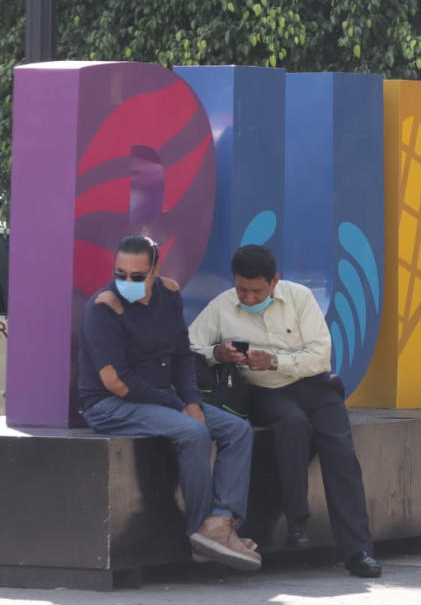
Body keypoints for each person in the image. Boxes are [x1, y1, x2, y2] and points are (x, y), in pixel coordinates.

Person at [188, 245, 382, 578]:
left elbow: (320, 355)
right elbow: (191, 346)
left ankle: (358, 551)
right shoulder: (221, 306)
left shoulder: (300, 297)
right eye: (242, 290)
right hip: (266, 392)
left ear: (274, 281)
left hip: (315, 386)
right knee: (291, 424)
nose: (248, 298)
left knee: (340, 453)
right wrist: (218, 353)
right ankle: (296, 525)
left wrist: (276, 360)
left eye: (257, 291)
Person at [78, 235, 261, 571]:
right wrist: (179, 405)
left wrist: (190, 398)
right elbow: (116, 383)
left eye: (137, 275)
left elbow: (181, 353)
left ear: (156, 269)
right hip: (111, 405)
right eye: (120, 274)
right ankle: (199, 535)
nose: (127, 282)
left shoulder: (170, 293)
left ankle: (218, 525)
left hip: (166, 400)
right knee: (193, 432)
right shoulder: (103, 307)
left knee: (238, 431)